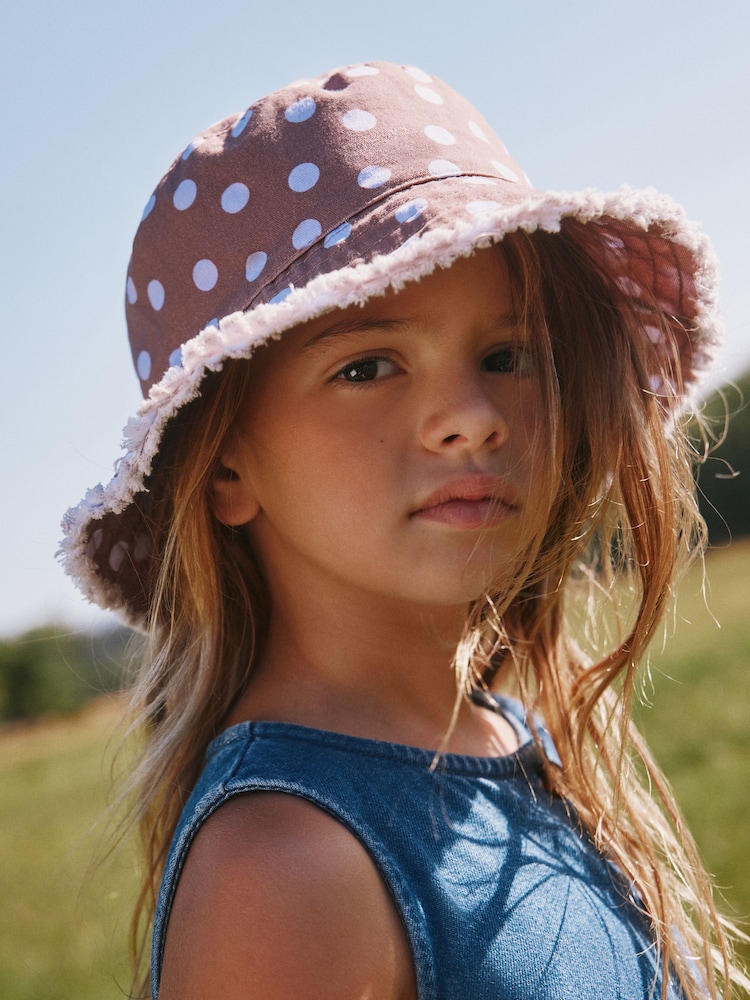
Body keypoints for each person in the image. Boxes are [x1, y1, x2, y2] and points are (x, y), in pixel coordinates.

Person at [60, 61, 746, 999]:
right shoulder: (286, 867)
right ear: (225, 466)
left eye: (507, 356)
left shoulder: (511, 736)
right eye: (367, 367)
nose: (471, 416)